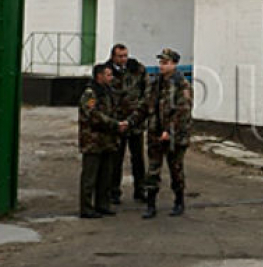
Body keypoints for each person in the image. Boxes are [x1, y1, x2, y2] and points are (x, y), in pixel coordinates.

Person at [131, 48, 192, 219]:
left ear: (174, 64)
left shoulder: (182, 85)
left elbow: (183, 112)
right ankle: (151, 205)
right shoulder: (155, 83)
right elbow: (144, 105)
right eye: (160, 62)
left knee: (176, 169)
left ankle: (179, 201)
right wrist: (131, 122)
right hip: (155, 133)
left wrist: (169, 131)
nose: (162, 66)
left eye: (165, 63)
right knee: (153, 170)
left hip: (174, 136)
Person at [77, 63, 127, 218]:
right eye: (108, 75)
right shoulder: (90, 94)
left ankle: (102, 204)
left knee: (106, 175)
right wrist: (114, 124)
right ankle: (86, 207)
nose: (111, 78)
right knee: (90, 177)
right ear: (99, 76)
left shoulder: (108, 92)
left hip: (107, 140)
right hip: (93, 140)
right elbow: (93, 115)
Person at [105, 43, 149, 205]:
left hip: (135, 121)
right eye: (120, 56)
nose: (123, 59)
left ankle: (140, 189)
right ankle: (113, 191)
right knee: (116, 158)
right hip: (117, 121)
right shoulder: (107, 71)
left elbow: (146, 93)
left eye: (125, 56)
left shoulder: (137, 69)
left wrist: (140, 115)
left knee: (138, 158)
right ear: (113, 56)